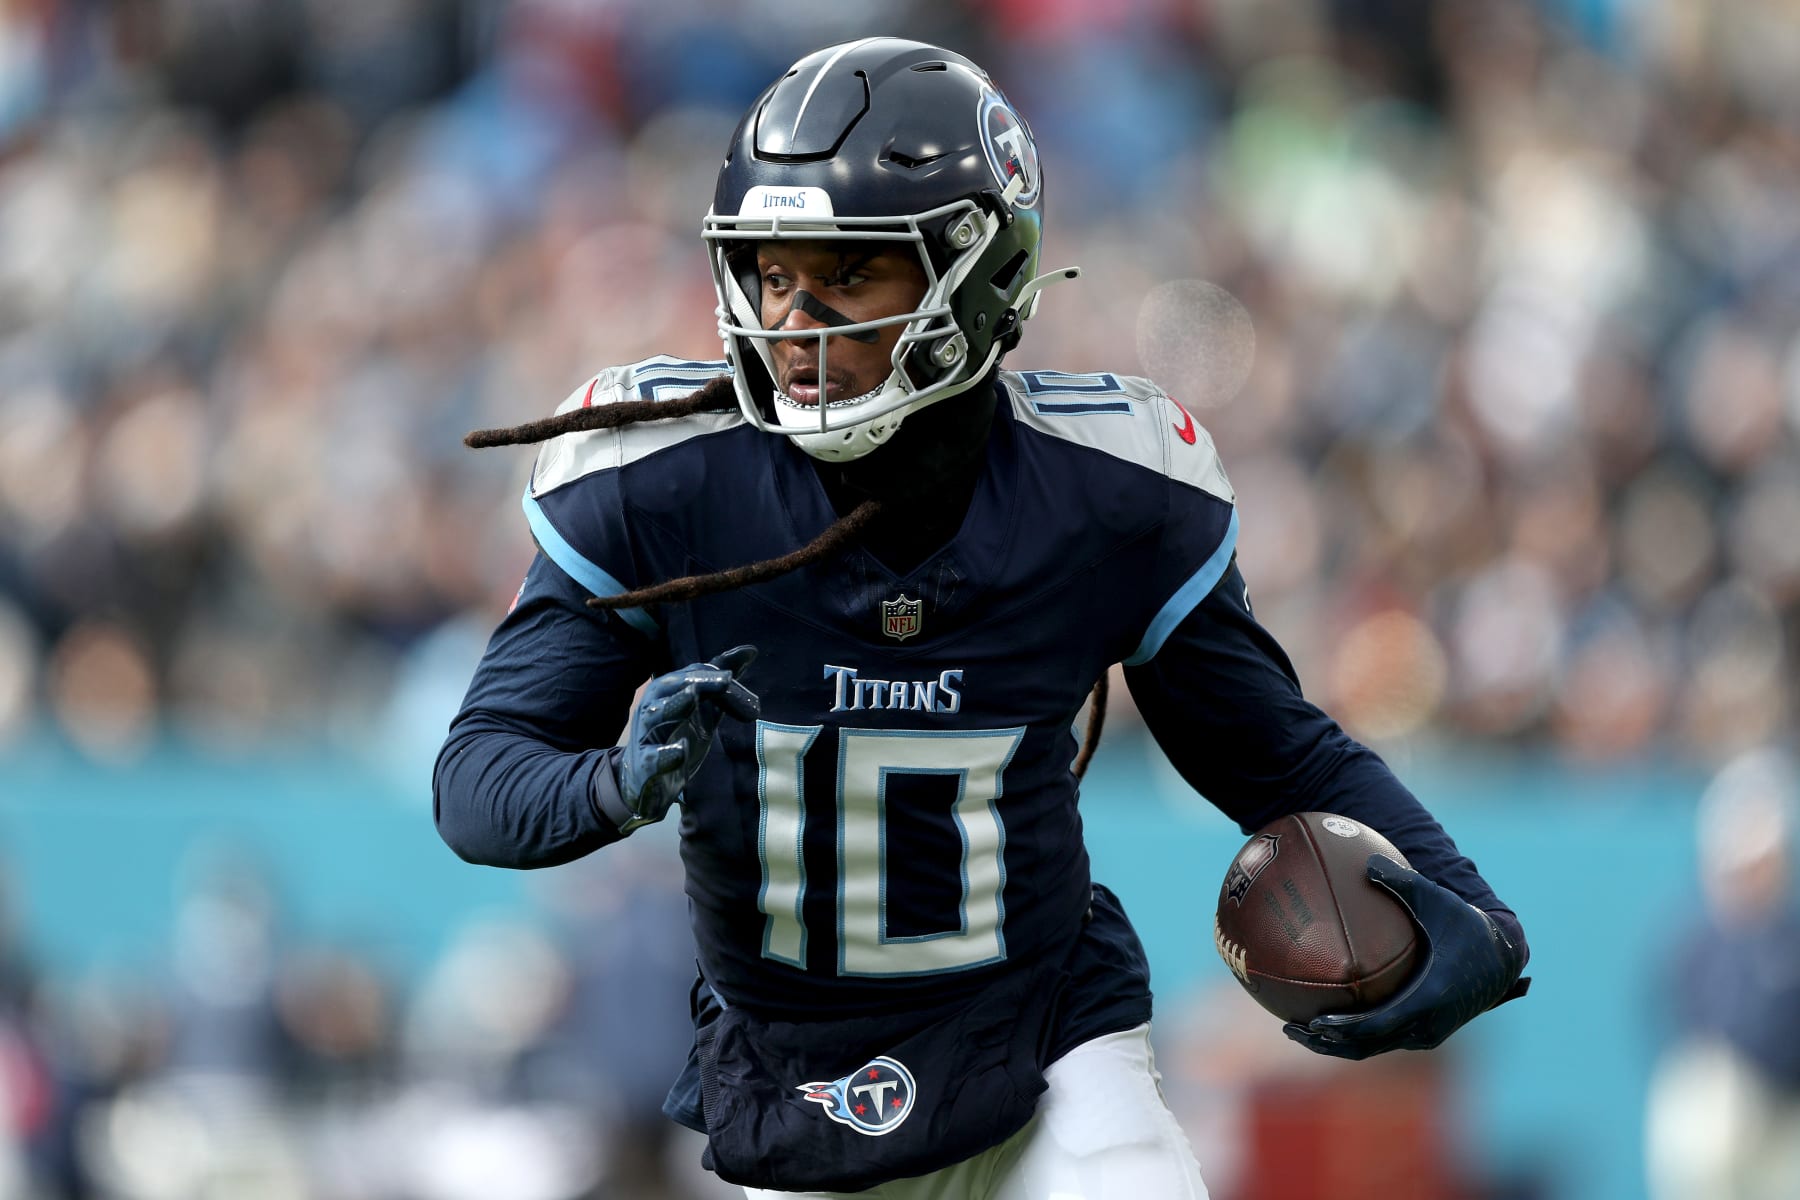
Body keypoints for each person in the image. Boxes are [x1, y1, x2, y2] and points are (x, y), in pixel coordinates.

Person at [434, 37, 1530, 1199]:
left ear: (975, 274)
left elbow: (1268, 752)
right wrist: (612, 783)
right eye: (768, 271)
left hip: (1049, 1044)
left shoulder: (1105, 494)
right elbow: (478, 780)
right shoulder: (660, 485)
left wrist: (1477, 915)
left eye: (845, 276)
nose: (790, 323)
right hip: (792, 1080)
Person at [1645, 749, 1800, 1200]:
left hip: (1787, 1112)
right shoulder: (1696, 942)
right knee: (1707, 1095)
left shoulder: (1790, 936)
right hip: (1730, 1114)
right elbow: (1685, 1027)